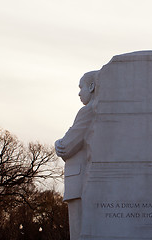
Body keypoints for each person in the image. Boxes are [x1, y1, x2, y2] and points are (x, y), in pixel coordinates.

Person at [55, 71, 97, 240]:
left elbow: (66, 147)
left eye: (81, 87)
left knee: (79, 232)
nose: (79, 93)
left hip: (78, 181)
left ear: (92, 86)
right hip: (86, 181)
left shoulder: (87, 111)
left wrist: (58, 142)